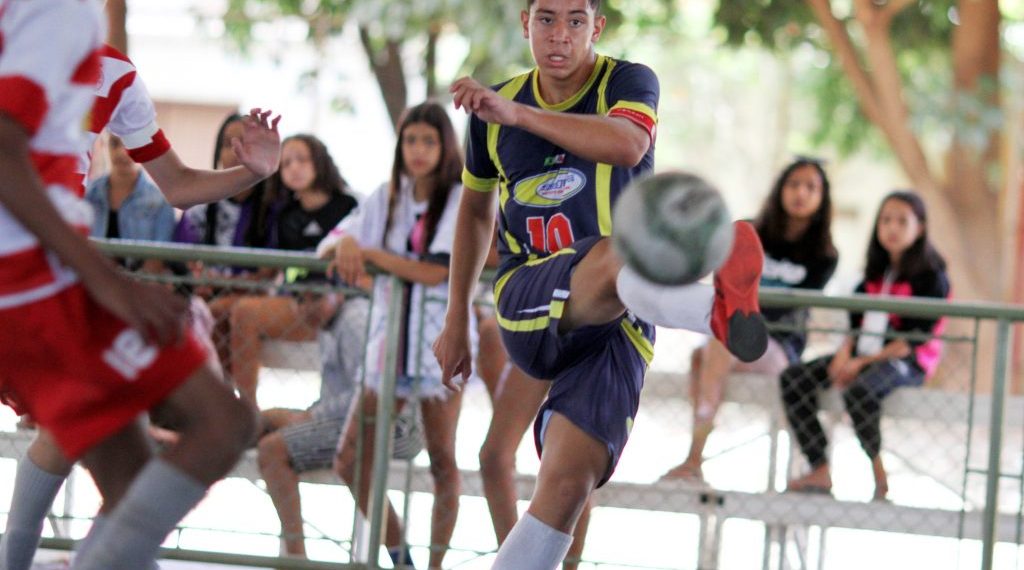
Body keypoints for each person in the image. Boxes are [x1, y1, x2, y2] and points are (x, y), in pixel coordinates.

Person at [432, 1, 768, 568]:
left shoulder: (628, 81)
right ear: (525, 23)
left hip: (623, 322)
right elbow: (472, 215)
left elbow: (627, 144)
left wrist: (518, 115)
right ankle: (717, 310)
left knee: (565, 490)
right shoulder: (493, 109)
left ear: (597, 27)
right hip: (530, 300)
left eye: (574, 21)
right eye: (545, 19)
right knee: (619, 254)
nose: (559, 35)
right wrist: (453, 317)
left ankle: (717, 307)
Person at [0, 25, 281, 570]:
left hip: (46, 281)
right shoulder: (42, 15)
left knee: (125, 473)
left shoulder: (113, 71)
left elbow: (175, 185)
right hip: (30, 284)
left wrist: (249, 173)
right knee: (222, 423)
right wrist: (107, 282)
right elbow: (7, 155)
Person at [320, 101, 472, 570]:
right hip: (388, 341)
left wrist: (377, 258)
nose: (419, 150)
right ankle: (401, 558)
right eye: (411, 140)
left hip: (438, 342)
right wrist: (348, 242)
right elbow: (329, 246)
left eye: (429, 140)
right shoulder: (386, 195)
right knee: (350, 459)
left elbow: (436, 272)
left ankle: (435, 565)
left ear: (445, 145)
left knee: (443, 462)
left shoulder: (461, 198)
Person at [663, 157, 839, 482]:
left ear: (822, 197)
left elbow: (782, 309)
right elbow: (723, 283)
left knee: (714, 349)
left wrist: (746, 303)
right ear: (780, 189)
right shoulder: (747, 232)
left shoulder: (825, 255)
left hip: (779, 348)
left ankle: (694, 456)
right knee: (702, 355)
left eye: (811, 187)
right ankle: (694, 457)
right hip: (732, 340)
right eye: (794, 184)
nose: (801, 192)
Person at [781, 190, 950, 501]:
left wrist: (859, 364)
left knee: (862, 390)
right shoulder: (872, 275)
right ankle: (819, 467)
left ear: (921, 227)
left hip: (905, 362)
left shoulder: (932, 278)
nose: (892, 228)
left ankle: (878, 473)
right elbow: (855, 327)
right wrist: (845, 356)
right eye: (886, 220)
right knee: (793, 379)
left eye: (902, 221)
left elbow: (914, 341)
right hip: (863, 354)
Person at [255, 295, 424, 559]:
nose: (305, 307)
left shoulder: (355, 319)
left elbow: (372, 391)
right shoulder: (330, 325)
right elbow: (341, 396)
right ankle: (401, 560)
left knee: (273, 449)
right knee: (266, 423)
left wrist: (310, 416)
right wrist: (304, 415)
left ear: (338, 292)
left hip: (396, 424)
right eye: (299, 299)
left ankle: (296, 560)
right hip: (362, 419)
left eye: (314, 296)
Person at [226, 134, 358, 403]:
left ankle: (341, 409)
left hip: (345, 305)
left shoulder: (349, 205)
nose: (294, 168)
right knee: (243, 312)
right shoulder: (283, 214)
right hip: (298, 304)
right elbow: (274, 269)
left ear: (320, 162)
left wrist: (338, 295)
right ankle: (248, 410)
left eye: (301, 159)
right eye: (286, 163)